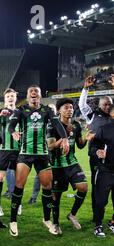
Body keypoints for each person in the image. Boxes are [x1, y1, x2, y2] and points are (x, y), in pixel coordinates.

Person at [8, 85, 69, 237]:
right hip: (25, 153)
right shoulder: (20, 110)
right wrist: (14, 132)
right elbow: (10, 126)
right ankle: (13, 221)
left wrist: (65, 139)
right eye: (31, 92)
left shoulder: (47, 111)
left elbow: (57, 124)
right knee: (19, 186)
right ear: (27, 96)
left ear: (40, 96)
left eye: (36, 92)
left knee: (47, 187)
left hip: (42, 154)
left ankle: (47, 219)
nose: (34, 94)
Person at [47, 98, 88, 235]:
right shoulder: (52, 125)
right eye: (66, 107)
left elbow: (80, 145)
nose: (70, 110)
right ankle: (56, 223)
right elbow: (51, 146)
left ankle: (72, 214)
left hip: (72, 163)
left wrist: (87, 138)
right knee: (56, 196)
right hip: (57, 166)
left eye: (71, 107)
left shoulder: (76, 124)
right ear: (59, 110)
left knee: (83, 187)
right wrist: (65, 137)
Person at [79, 74, 114, 215]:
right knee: (97, 185)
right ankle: (96, 215)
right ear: (99, 105)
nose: (107, 106)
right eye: (105, 104)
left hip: (111, 157)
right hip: (95, 156)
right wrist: (85, 89)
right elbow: (82, 105)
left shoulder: (112, 117)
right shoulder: (92, 115)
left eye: (110, 104)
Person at [0, 89, 21, 217]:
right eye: (8, 96)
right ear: (5, 99)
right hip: (2, 150)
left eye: (12, 96)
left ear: (16, 98)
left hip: (18, 150)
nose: (10, 98)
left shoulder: (20, 112)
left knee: (19, 179)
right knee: (0, 178)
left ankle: (17, 204)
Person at [89, 103, 114, 237]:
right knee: (100, 201)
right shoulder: (104, 129)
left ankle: (113, 223)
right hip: (106, 171)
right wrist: (97, 151)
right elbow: (93, 146)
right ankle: (98, 225)